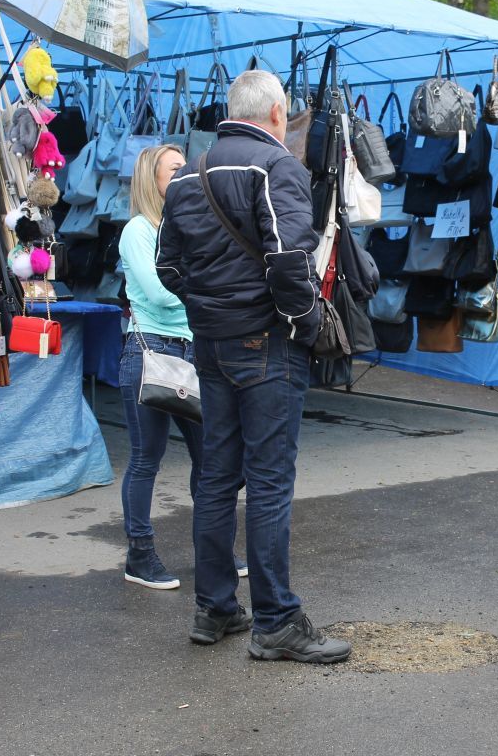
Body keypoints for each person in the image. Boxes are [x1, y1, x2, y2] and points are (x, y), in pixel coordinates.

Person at [156, 70, 350, 663]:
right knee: (267, 480)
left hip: (213, 343)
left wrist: (210, 310)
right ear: (276, 114)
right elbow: (290, 260)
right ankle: (277, 621)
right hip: (266, 342)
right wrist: (307, 325)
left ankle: (214, 606)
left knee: (217, 475)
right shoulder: (276, 166)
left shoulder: (187, 174)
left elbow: (168, 268)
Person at [118, 144, 247, 590]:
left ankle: (215, 551)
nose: (183, 174)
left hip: (194, 350)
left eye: (184, 168)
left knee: (211, 460)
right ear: (151, 179)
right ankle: (139, 556)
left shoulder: (187, 225)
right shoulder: (138, 230)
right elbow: (158, 294)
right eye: (174, 169)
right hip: (151, 351)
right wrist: (210, 293)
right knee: (146, 459)